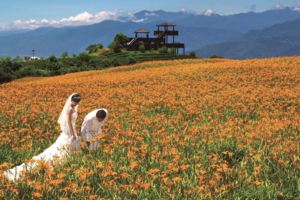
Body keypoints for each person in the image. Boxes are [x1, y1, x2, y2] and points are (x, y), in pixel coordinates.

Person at [3, 93, 81, 181]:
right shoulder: (70, 109)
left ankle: (65, 162)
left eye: (77, 102)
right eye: (74, 101)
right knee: (61, 148)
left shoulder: (73, 108)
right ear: (71, 100)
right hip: (69, 131)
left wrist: (74, 132)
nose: (75, 103)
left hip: (71, 130)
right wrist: (73, 134)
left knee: (66, 148)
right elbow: (69, 122)